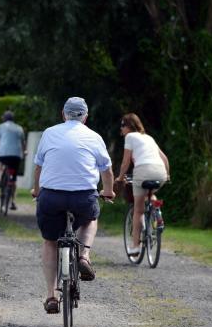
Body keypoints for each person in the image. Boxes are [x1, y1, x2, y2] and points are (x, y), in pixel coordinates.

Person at [31, 97, 115, 314]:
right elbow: (106, 170)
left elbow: (38, 167)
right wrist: (108, 191)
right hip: (83, 196)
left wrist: (37, 191)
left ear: (63, 114)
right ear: (85, 117)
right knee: (90, 219)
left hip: (51, 197)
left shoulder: (49, 133)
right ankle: (84, 255)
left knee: (50, 242)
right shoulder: (94, 137)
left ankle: (51, 295)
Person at [114, 113, 170, 255]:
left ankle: (135, 246)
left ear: (128, 126)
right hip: (160, 172)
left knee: (138, 210)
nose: (121, 130)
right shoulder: (149, 138)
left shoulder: (130, 137)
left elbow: (126, 161)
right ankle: (157, 215)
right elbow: (164, 158)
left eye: (122, 126)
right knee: (149, 194)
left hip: (143, 171)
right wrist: (167, 175)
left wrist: (120, 177)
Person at [0, 110, 26, 210]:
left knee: (0, 162)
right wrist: (25, 151)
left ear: (4, 118)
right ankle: (13, 202)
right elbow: (23, 143)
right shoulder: (19, 128)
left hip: (3, 154)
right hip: (16, 156)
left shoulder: (1, 127)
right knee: (14, 179)